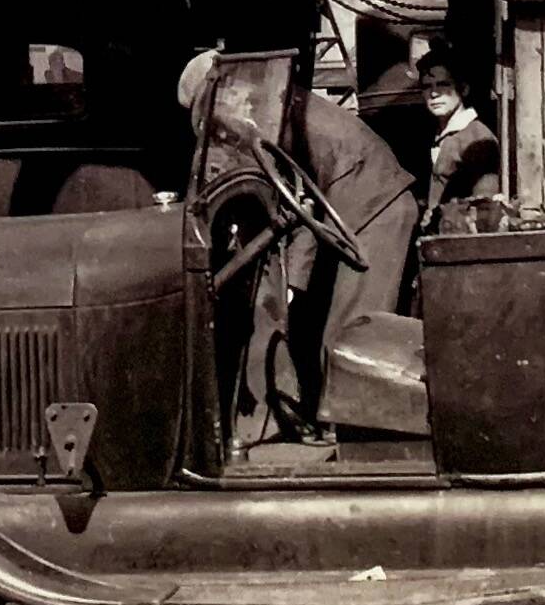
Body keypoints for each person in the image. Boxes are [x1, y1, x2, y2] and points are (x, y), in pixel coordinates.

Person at [176, 45, 417, 442]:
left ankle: (361, 445)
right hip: (352, 210)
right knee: (322, 329)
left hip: (377, 211)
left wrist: (291, 285)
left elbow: (300, 204)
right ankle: (327, 426)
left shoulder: (273, 116)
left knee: (351, 338)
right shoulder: (272, 111)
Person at [419, 61, 504, 218]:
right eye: (427, 86)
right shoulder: (437, 135)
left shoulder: (477, 139)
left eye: (443, 85)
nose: (434, 93)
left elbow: (484, 206)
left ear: (463, 89)